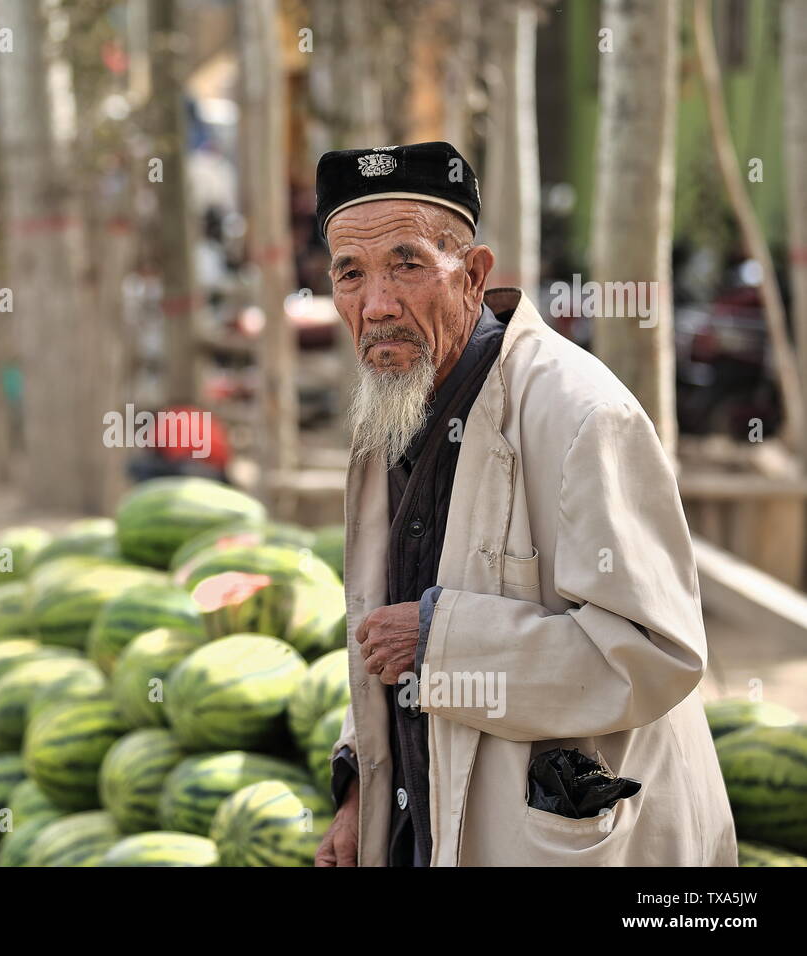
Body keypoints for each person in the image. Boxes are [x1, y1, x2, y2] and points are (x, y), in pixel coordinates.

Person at [312, 142, 736, 867]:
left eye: (408, 264)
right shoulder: (389, 407)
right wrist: (364, 796)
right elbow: (387, 641)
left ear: (475, 276)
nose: (376, 304)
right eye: (351, 274)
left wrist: (441, 639)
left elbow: (655, 654)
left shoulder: (580, 414)